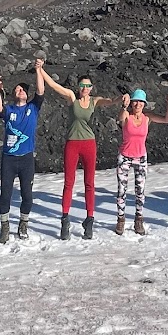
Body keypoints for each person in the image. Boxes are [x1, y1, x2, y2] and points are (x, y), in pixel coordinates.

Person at [38, 67, 124, 240]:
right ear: (78, 87)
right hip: (72, 144)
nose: (85, 88)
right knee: (68, 183)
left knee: (89, 183)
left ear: (91, 88)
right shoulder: (72, 97)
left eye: (88, 86)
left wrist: (122, 98)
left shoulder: (94, 101)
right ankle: (65, 220)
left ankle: (89, 220)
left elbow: (110, 101)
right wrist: (40, 70)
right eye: (82, 85)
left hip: (89, 145)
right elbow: (54, 86)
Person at [0, 59, 45, 244]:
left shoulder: (33, 108)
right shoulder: (10, 110)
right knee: (5, 194)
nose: (20, 91)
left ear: (27, 95)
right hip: (9, 159)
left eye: (23, 89)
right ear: (14, 94)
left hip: (26, 159)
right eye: (17, 89)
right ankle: (4, 226)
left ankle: (23, 224)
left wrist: (38, 70)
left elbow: (40, 90)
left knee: (27, 195)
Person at [115, 88, 168, 235]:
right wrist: (124, 106)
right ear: (132, 103)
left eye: (141, 102)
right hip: (125, 156)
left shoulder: (147, 117)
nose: (138, 104)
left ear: (144, 104)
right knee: (122, 190)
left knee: (140, 191)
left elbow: (166, 119)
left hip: (141, 157)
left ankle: (139, 219)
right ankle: (121, 219)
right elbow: (121, 118)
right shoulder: (127, 115)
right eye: (135, 101)